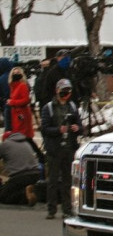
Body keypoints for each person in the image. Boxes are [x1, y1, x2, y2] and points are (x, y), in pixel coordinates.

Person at [41, 78, 82, 220]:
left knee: (67, 180)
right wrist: (59, 130)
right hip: (54, 149)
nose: (66, 94)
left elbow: (80, 126)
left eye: (68, 91)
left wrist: (77, 128)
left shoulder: (72, 106)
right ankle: (51, 209)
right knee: (52, 180)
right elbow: (45, 128)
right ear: (57, 91)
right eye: (64, 91)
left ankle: (67, 208)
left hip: (69, 147)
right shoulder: (49, 108)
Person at [0, 131, 42, 205]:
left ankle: (25, 196)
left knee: (3, 196)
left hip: (20, 176)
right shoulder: (25, 142)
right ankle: (30, 192)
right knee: (15, 188)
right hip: (36, 174)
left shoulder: (5, 144)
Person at [7, 66, 34, 139]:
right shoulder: (12, 86)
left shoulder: (22, 85)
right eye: (14, 73)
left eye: (18, 72)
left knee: (22, 134)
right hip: (16, 113)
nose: (16, 74)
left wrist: (12, 102)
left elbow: (26, 100)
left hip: (22, 114)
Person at [0, 57, 12, 131]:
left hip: (6, 104)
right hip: (20, 105)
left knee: (8, 127)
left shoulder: (2, 78)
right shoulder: (18, 75)